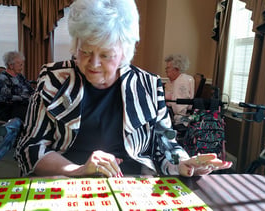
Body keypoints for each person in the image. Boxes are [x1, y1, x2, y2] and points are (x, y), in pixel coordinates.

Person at [15, 0, 231, 178]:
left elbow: (167, 144)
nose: (94, 63)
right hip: (68, 182)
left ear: (124, 52)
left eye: (106, 55)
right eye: (85, 52)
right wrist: (78, 170)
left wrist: (183, 162)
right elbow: (29, 148)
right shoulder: (54, 79)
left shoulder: (148, 85)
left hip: (132, 185)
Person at [0, 51, 34, 122]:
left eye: (22, 64)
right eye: (19, 64)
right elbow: (7, 97)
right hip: (6, 108)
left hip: (21, 105)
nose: (22, 66)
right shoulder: (3, 77)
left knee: (37, 109)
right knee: (30, 113)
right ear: (10, 65)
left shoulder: (20, 76)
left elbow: (30, 90)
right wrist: (25, 98)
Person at [164, 54, 195, 127]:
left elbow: (180, 108)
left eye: (168, 68)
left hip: (177, 117)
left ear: (176, 69)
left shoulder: (181, 81)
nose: (166, 70)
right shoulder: (174, 81)